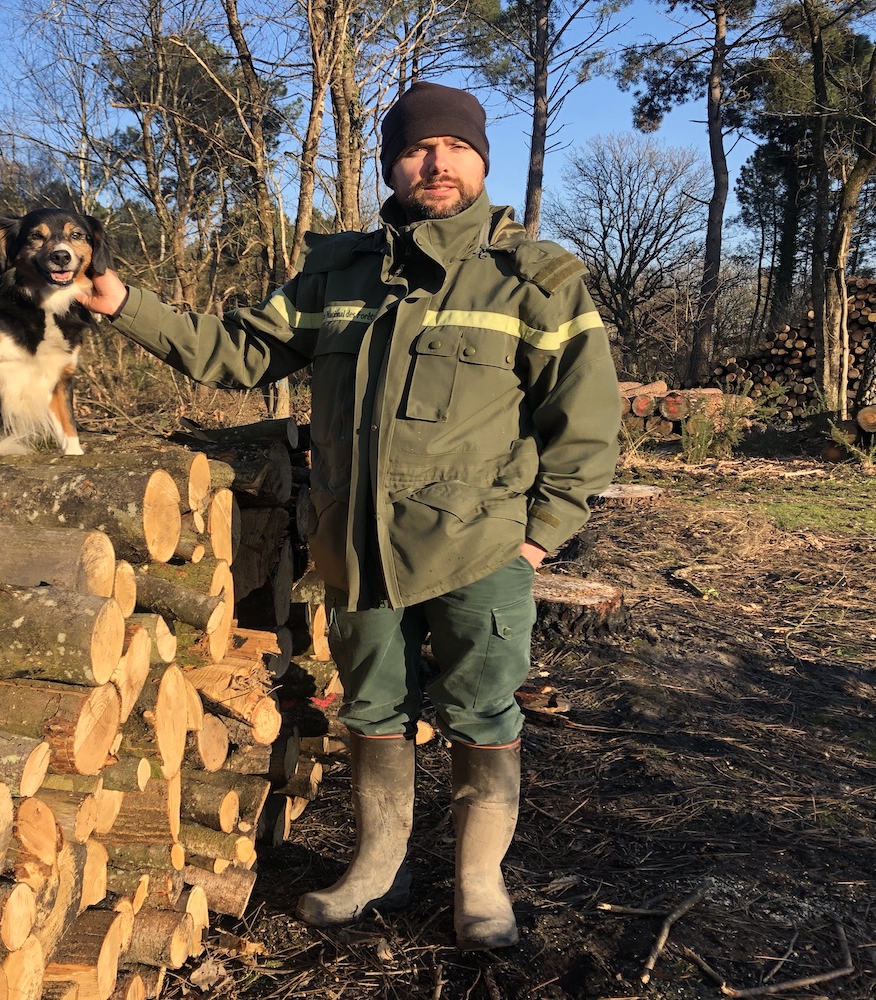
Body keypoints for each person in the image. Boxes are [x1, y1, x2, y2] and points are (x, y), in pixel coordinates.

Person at [78, 81, 621, 951]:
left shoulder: (536, 282)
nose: (434, 164)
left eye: (453, 148)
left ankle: (479, 883)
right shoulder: (339, 276)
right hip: (359, 548)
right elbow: (238, 350)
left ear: (482, 160)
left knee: (482, 714)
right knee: (374, 707)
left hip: (481, 549)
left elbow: (586, 423)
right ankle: (378, 864)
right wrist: (124, 306)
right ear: (391, 167)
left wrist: (537, 537)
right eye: (414, 150)